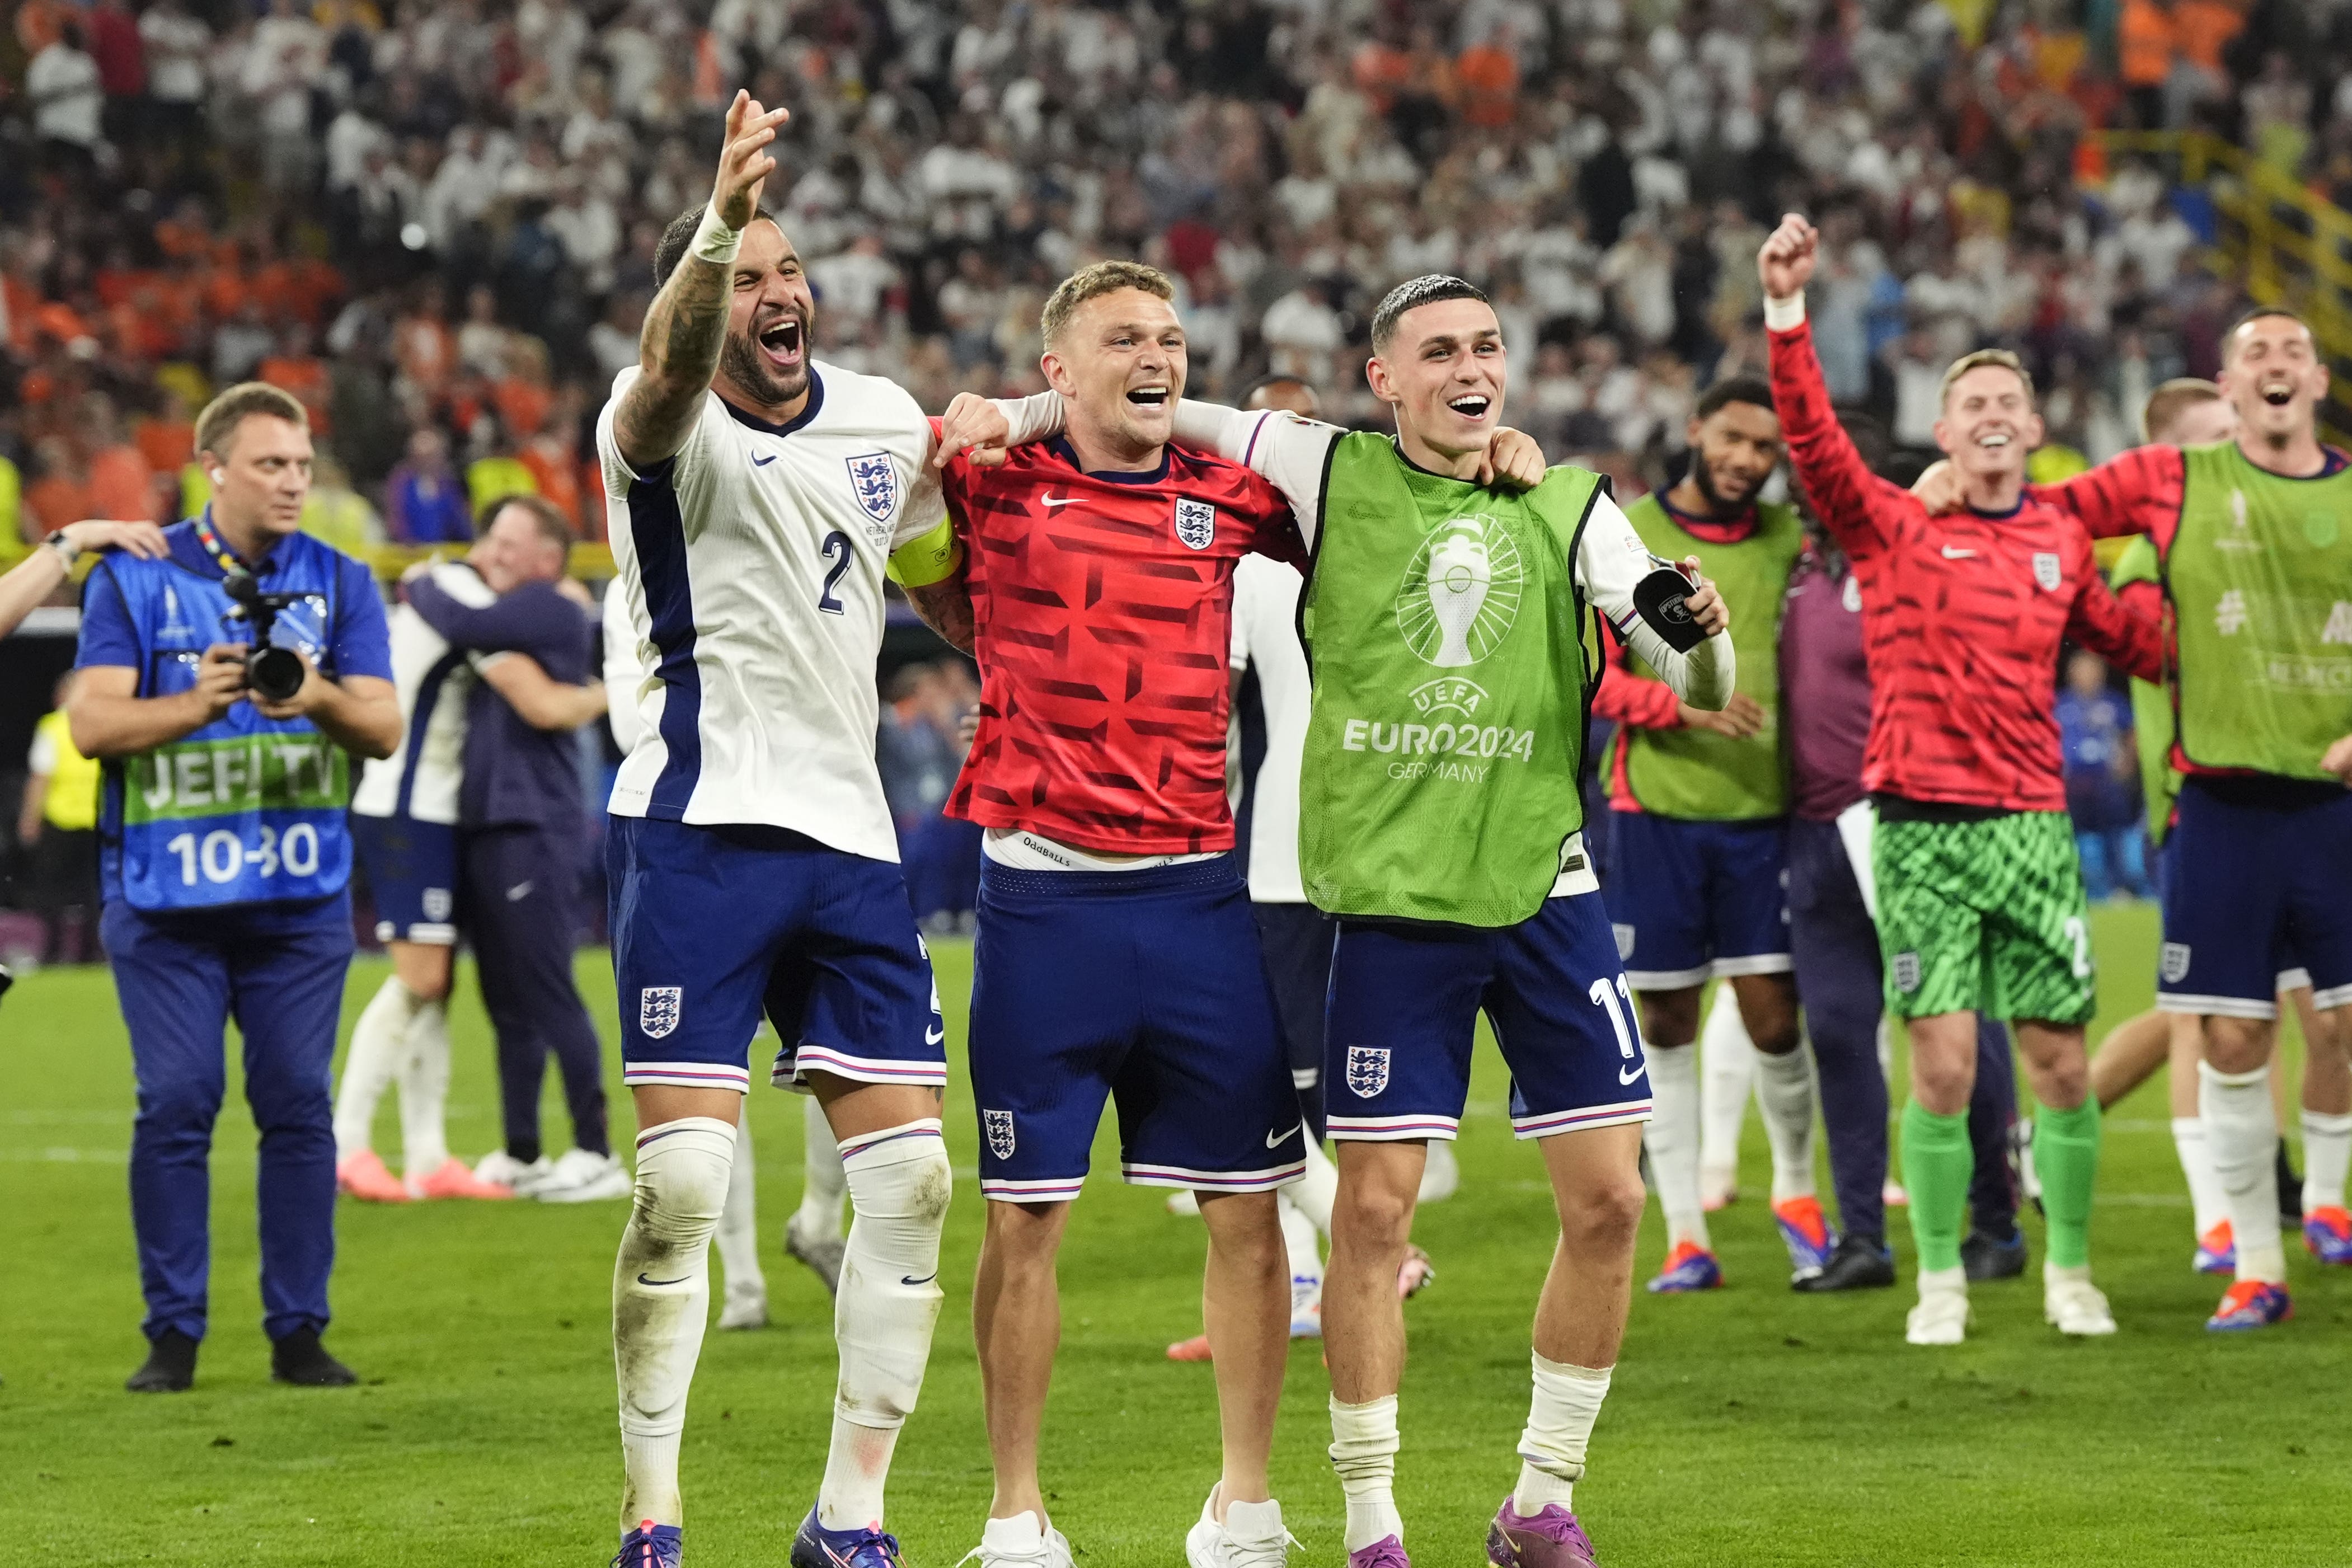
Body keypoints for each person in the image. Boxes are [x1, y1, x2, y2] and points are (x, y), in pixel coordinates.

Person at [1157, 274, 1733, 1568]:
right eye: (1439, 350)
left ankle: (1538, 1503)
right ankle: (1372, 1525)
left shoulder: (1563, 496)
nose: (1471, 367)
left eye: (1486, 345)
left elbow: (1660, 630)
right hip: (1392, 904)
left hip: (1546, 885)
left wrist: (1693, 625)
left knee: (1610, 1203)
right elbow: (1173, 414)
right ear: (1384, 378)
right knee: (1372, 1213)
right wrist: (1021, 407)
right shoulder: (1324, 471)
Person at [592, 92, 1041, 1568]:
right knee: (682, 1186)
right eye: (750, 273)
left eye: (790, 269)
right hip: (698, 829)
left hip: (852, 845)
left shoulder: (879, 417)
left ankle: (849, 1515)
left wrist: (1017, 675)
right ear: (711, 294)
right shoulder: (656, 423)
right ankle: (653, 1512)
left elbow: (931, 571)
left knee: (912, 1183)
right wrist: (716, 218)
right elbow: (665, 369)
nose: (778, 291)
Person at [900, 263, 1313, 1568]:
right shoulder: (986, 476)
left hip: (1200, 895)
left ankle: (1244, 1504)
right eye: (1123, 338)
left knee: (1250, 1208)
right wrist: (976, 431)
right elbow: (901, 523)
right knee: (1025, 1216)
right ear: (1058, 368)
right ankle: (1014, 1514)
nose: (1158, 356)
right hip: (1042, 906)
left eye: (1174, 338)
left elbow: (1373, 490)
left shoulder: (1231, 496)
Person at [1759, 214, 2163, 1346]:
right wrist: (1787, 312)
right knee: (1939, 1065)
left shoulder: (2061, 543)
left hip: (2033, 828)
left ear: (2035, 430)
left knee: (2061, 1064)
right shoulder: (1888, 528)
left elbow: (2140, 645)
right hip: (1921, 829)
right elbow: (1812, 436)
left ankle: (2069, 1274)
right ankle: (1937, 1276)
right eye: (1970, 403)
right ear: (1943, 432)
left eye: (2008, 404)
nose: (1991, 415)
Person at [1970, 318, 2352, 1326]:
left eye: (2290, 354)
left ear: (2316, 378)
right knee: (2227, 1035)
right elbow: (2039, 513)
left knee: (2337, 1026)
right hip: (2213, 802)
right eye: (2252, 355)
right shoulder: (2168, 483)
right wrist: (1951, 492)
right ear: (2229, 385)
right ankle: (2252, 1263)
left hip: (2335, 806)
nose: (2272, 367)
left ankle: (2317, 1207)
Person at [65, 381, 400, 1393]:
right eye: (270, 465)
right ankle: (174, 1334)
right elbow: (92, 727)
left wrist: (311, 689)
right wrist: (194, 702)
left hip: (299, 899)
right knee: (176, 1101)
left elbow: (382, 728)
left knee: (299, 1104)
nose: (293, 481)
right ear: (213, 468)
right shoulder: (137, 574)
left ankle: (298, 1330)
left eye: (301, 464)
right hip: (166, 898)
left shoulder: (342, 580)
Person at [1162, 373, 1438, 1371]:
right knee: (1307, 1077)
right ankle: (1320, 1277)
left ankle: (1363, 1255)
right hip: (1380, 844)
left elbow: (1201, 712)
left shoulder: (1243, 567)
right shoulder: (1400, 541)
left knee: (1258, 1081)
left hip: (1284, 853)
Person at [2076, 379, 2330, 1274]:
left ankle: (2282, 1185)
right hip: (2198, 802)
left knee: (2246, 1006)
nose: (2239, 451)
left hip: (2289, 800)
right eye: (2216, 439)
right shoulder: (2155, 555)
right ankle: (2222, 1215)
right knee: (2209, 1016)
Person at [1589, 377, 1828, 1291]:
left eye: (1763, 448)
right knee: (1666, 1018)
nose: (1744, 460)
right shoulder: (1626, 530)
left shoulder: (1787, 539)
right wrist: (1683, 711)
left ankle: (1797, 1197)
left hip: (1765, 819)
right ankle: (1686, 1233)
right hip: (1656, 815)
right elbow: (1592, 678)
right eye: (1730, 438)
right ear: (1694, 430)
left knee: (1773, 1016)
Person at [335, 497, 604, 1205]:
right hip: (405, 806)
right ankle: (349, 1145)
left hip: (439, 810)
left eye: (514, 541)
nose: (498, 551)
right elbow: (536, 696)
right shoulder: (457, 589)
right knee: (422, 980)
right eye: (494, 537)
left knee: (443, 985)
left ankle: (427, 1157)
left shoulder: (491, 596)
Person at [600, 579, 850, 1329]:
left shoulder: (793, 536)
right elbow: (626, 721)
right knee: (711, 1074)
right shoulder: (634, 582)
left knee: (858, 1051)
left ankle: (818, 1221)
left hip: (821, 828)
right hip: (696, 847)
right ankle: (741, 1281)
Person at [18, 672, 104, 963]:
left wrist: (30, 820)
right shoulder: (102, 722)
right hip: (96, 819)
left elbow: (40, 778)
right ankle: (91, 952)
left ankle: (54, 951)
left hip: (62, 820)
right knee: (94, 891)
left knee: (54, 893)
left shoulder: (53, 727)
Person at [2054, 650, 2148, 901]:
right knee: (2067, 838)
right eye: (2082, 669)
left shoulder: (2113, 702)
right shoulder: (2059, 703)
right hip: (2071, 782)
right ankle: (2070, 889)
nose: (2088, 675)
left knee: (2114, 836)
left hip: (2106, 780)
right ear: (2071, 673)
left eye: (2093, 669)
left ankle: (2120, 888)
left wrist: (2128, 762)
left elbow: (2133, 732)